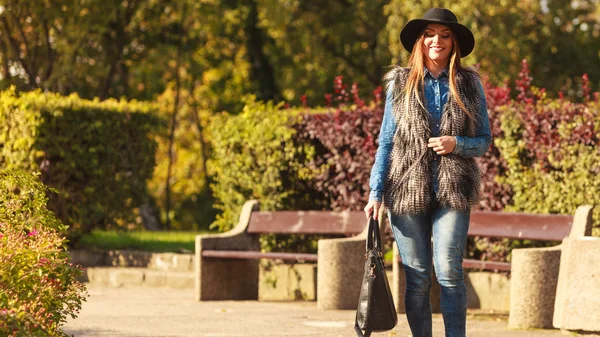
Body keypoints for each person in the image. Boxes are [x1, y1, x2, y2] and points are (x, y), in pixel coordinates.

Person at [363, 7, 492, 337]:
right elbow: (386, 141)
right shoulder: (401, 84)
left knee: (449, 271)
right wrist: (376, 193)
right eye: (430, 34)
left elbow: (483, 141)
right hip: (406, 189)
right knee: (417, 275)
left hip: (454, 189)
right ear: (420, 42)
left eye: (445, 35)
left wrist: (456, 143)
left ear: (453, 43)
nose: (437, 40)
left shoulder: (469, 83)